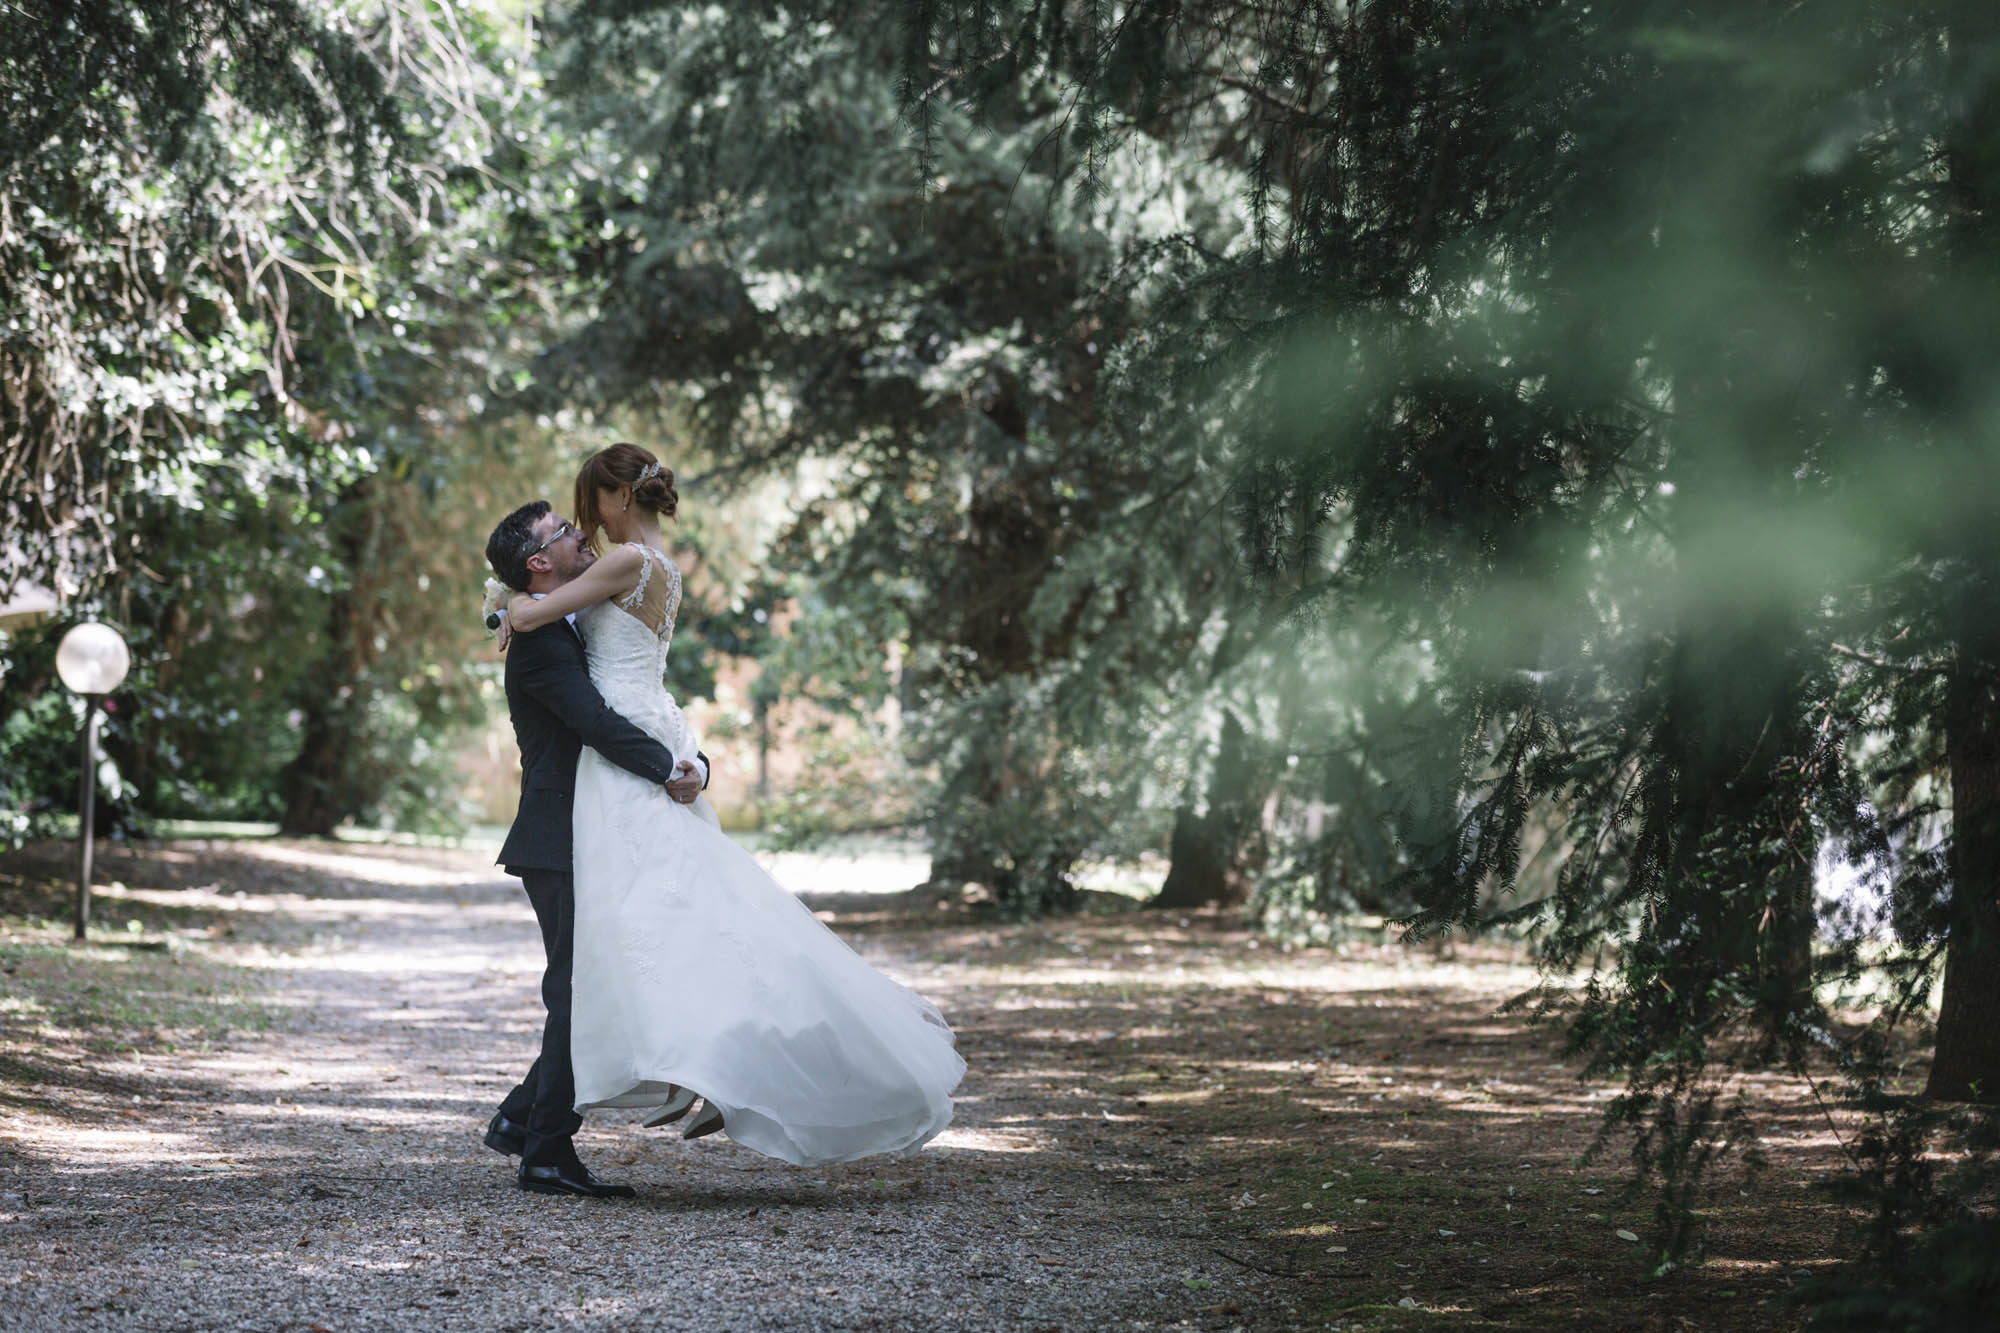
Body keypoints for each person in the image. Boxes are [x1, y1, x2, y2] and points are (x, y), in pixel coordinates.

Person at [495, 442, 964, 1171]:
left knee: (632, 949)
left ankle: (569, 1113)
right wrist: (689, 759)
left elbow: (540, 620)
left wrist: (511, 606)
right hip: (626, 762)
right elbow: (638, 690)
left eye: (586, 509)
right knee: (644, 944)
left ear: (619, 499)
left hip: (626, 770)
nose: (583, 527)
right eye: (566, 527)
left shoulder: (620, 567)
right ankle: (553, 1120)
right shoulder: (656, 571)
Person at [480, 498, 711, 1198]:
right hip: (556, 837)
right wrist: (667, 768)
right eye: (562, 531)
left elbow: (633, 699)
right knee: (576, 992)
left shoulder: (562, 621)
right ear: (539, 562)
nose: (582, 532)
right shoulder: (543, 643)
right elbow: (595, 721)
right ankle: (545, 1151)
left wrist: (696, 760)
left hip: (590, 829)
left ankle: (524, 1120)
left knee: (585, 989)